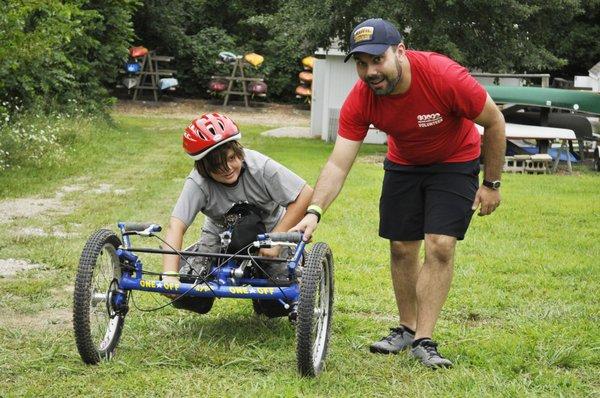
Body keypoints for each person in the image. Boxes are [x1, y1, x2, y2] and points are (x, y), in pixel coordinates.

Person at [293, 18, 506, 368]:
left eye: (377, 60)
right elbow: (337, 164)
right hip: (405, 163)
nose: (370, 71)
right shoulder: (362, 99)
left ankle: (425, 338)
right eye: (362, 64)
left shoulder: (443, 76)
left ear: (400, 52)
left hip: (454, 160)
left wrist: (491, 183)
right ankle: (406, 327)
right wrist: (314, 210)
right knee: (401, 247)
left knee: (440, 243)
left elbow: (494, 121)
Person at [162, 112, 312, 314]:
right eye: (217, 166)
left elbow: (305, 194)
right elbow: (176, 226)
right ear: (203, 168)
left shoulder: (260, 167)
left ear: (238, 151)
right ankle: (198, 255)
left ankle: (288, 262)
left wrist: (276, 239)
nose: (227, 169)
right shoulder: (198, 182)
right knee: (191, 298)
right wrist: (170, 275)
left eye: (231, 158)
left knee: (276, 304)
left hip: (269, 231)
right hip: (219, 233)